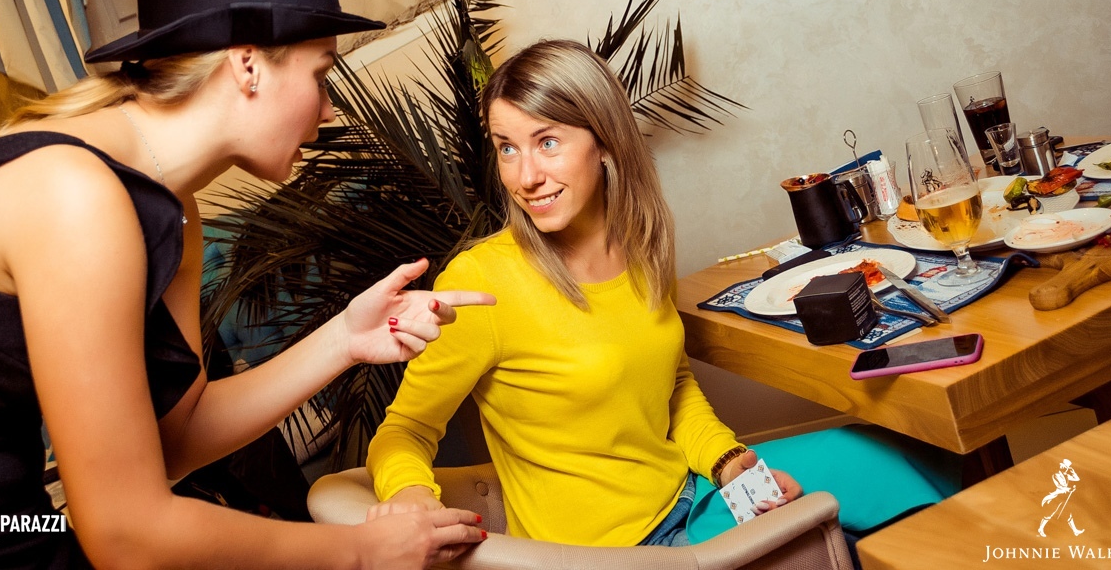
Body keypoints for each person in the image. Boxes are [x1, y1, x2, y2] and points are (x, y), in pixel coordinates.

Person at [0, 0, 494, 570]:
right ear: (247, 65)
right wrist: (359, 551)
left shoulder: (171, 209)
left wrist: (346, 339)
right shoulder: (75, 198)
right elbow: (125, 533)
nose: (329, 111)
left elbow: (175, 439)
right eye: (322, 73)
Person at [366, 39, 959, 550]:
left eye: (547, 142)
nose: (525, 177)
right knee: (862, 534)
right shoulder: (484, 280)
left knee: (903, 464)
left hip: (691, 496)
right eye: (507, 147)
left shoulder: (641, 245)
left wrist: (732, 464)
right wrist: (412, 494)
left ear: (604, 142)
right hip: (623, 553)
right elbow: (404, 430)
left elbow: (670, 386)